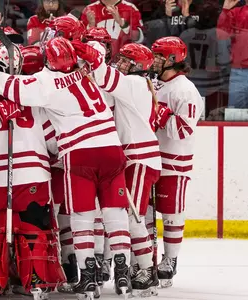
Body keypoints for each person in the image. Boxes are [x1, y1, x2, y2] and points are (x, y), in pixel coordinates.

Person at [0, 37, 131, 300]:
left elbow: (14, 88)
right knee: (115, 214)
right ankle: (123, 272)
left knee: (82, 217)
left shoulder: (46, 84)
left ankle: (87, 277)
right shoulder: (85, 71)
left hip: (80, 154)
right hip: (112, 148)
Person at [0, 44, 64, 300]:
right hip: (34, 176)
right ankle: (37, 280)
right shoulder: (36, 102)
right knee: (34, 228)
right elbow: (54, 143)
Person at [77, 41, 162, 297]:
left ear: (138, 67)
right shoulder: (137, 84)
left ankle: (147, 271)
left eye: (126, 61)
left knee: (132, 218)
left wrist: (90, 57)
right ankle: (144, 268)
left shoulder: (134, 84)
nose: (120, 64)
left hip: (138, 158)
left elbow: (104, 77)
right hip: (137, 157)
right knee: (129, 216)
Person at [149, 36, 203, 289]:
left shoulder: (185, 90)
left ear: (172, 60)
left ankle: (170, 260)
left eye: (159, 56)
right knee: (145, 213)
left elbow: (183, 131)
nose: (154, 60)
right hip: (148, 157)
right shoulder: (154, 83)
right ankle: (145, 260)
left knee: (171, 213)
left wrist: (158, 111)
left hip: (173, 162)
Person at [218, 0, 248, 109]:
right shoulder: (235, 13)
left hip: (238, 72)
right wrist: (225, 9)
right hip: (238, 72)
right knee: (235, 115)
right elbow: (221, 35)